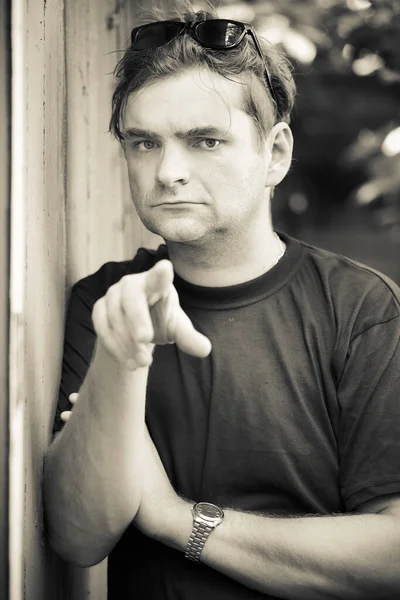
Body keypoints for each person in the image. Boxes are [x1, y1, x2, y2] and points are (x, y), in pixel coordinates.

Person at [43, 2, 400, 599]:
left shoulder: (362, 309)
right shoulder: (105, 301)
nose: (168, 172)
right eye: (143, 143)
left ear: (275, 155)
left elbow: (392, 561)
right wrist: (123, 361)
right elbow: (79, 539)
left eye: (205, 140)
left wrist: (173, 518)